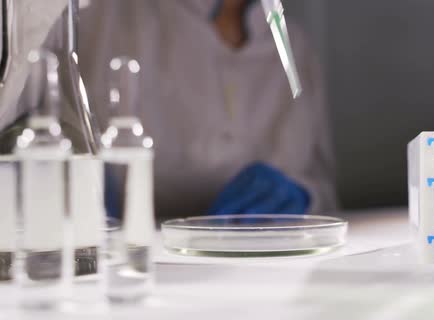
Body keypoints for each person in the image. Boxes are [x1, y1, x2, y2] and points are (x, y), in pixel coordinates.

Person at [77, 0, 338, 218]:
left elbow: (322, 187)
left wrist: (301, 195)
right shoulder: (106, 19)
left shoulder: (295, 47)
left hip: (264, 260)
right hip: (141, 258)